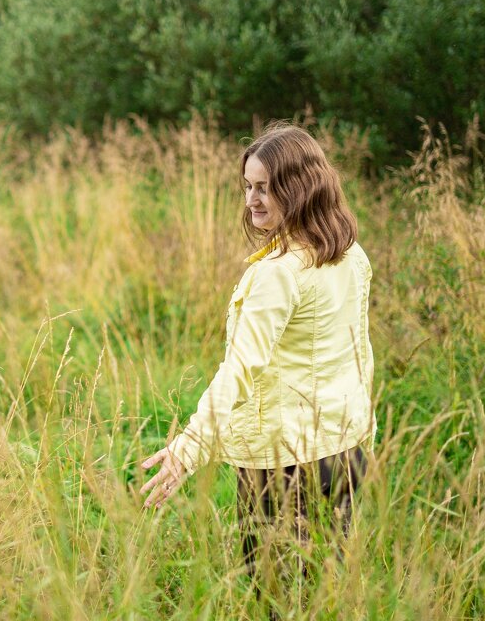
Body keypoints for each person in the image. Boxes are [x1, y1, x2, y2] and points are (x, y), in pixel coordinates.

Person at [140, 120, 376, 596]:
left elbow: (240, 369)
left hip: (284, 464)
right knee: (328, 597)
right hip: (344, 452)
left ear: (300, 187)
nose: (252, 200)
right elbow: (360, 354)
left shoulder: (279, 273)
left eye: (266, 187)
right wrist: (363, 432)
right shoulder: (351, 255)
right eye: (248, 186)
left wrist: (188, 449)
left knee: (273, 604)